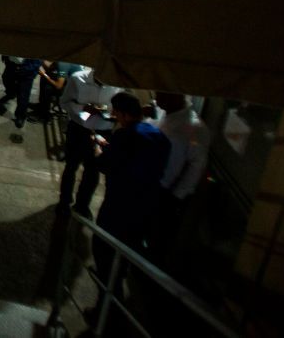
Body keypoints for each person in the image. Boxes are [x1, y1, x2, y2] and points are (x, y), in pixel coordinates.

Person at [91, 92, 171, 328]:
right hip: (146, 207)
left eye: (116, 113)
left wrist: (99, 151)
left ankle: (107, 309)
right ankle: (116, 297)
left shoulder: (125, 135)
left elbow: (105, 165)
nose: (114, 116)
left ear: (125, 114)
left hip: (118, 206)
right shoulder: (159, 135)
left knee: (103, 252)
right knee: (126, 253)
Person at [147, 91, 210, 264]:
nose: (157, 100)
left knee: (158, 234)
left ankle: (149, 271)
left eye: (161, 96)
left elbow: (196, 166)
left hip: (165, 190)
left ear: (176, 96)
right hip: (147, 181)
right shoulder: (161, 113)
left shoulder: (194, 127)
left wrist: (176, 196)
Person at [57, 67, 124, 218]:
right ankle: (64, 201)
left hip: (103, 131)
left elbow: (117, 109)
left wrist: (109, 114)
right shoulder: (77, 78)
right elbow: (63, 102)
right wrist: (82, 108)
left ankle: (82, 204)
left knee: (93, 171)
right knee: (71, 166)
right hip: (79, 129)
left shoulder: (117, 84)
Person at [0, 56, 43, 130]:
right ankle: (11, 94)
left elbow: (38, 61)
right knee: (6, 80)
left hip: (27, 69)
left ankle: (20, 116)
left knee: (23, 96)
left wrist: (24, 69)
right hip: (11, 65)